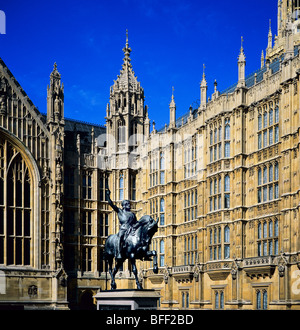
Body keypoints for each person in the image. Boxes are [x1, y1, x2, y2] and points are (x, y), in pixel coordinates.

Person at [106, 189, 138, 260]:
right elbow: (111, 204)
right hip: (124, 229)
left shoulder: (132, 214)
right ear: (123, 206)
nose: (129, 205)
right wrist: (108, 196)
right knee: (120, 237)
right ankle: (119, 253)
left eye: (129, 204)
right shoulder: (120, 211)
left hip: (131, 229)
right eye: (127, 204)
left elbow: (136, 223)